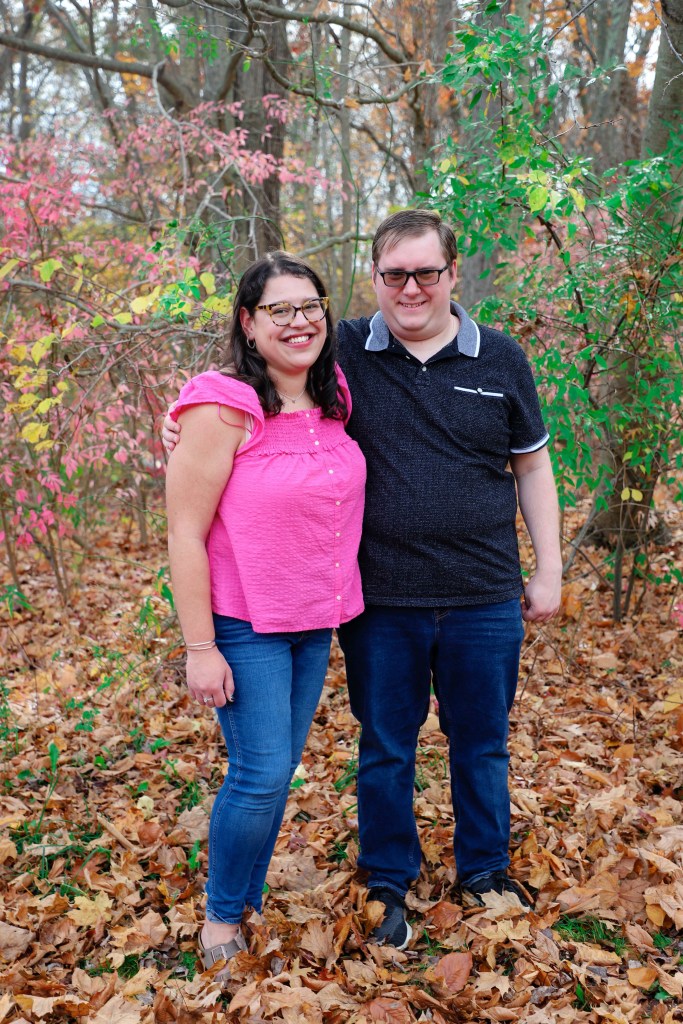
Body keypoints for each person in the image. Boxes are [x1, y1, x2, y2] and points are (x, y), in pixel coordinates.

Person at [163, 211, 562, 951]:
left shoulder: (497, 359)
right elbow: (245, 380)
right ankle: (386, 883)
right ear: (373, 277)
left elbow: (531, 464)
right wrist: (185, 415)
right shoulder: (343, 349)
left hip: (482, 592)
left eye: (426, 272)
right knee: (383, 747)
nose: (411, 288)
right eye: (393, 274)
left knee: (481, 743)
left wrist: (549, 567)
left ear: (452, 273)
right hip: (379, 599)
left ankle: (484, 871)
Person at [165, 251, 366, 980]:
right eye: (279, 310)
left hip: (314, 619)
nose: (298, 321)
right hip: (244, 622)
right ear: (248, 324)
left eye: (310, 305)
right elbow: (185, 532)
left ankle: (245, 901)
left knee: (277, 774)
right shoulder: (220, 405)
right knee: (260, 773)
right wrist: (200, 648)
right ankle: (221, 919)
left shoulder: (335, 393)